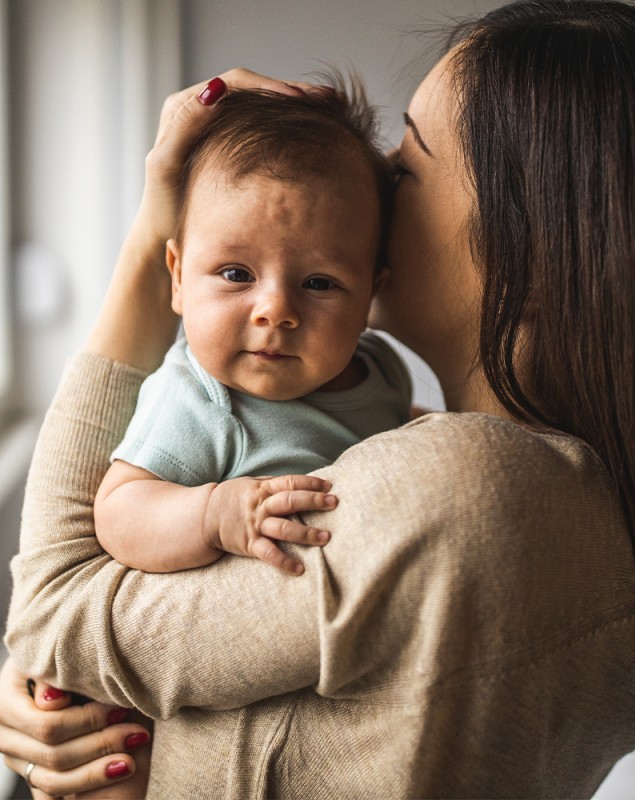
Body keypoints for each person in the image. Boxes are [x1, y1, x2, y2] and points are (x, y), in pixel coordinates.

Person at [2, 1, 635, 797]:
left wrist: (156, 230)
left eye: (408, 164)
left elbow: (49, 612)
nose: (375, 174)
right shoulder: (614, 506)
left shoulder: (461, 493)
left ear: (538, 255)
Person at [93, 86, 411, 576]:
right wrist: (214, 514)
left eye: (319, 283)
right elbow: (119, 510)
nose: (276, 310)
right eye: (237, 274)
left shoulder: (380, 368)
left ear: (371, 293)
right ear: (178, 277)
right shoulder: (199, 400)